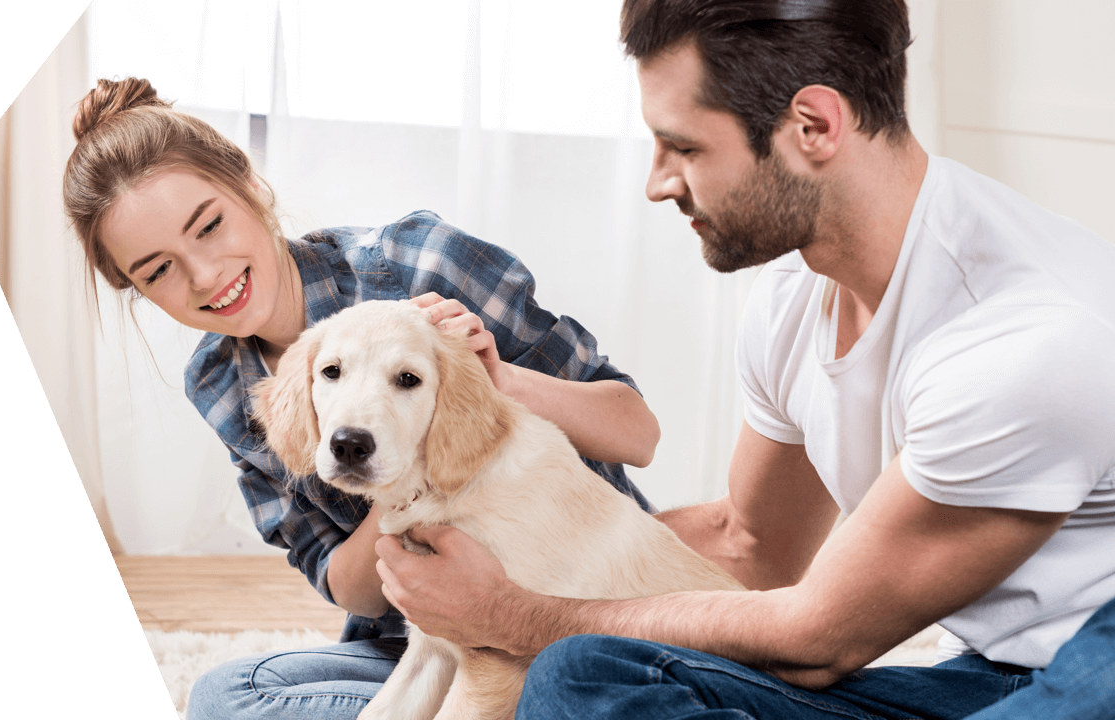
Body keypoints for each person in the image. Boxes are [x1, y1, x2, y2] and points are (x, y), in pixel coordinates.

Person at [372, 1, 1115, 718]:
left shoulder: (1025, 338)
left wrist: (511, 613)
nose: (658, 182)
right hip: (975, 679)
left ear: (813, 126)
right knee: (583, 677)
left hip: (1095, 670)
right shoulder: (794, 297)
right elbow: (751, 546)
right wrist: (506, 551)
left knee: (556, 648)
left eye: (686, 147)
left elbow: (821, 639)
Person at [62, 76, 662, 719]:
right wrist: (398, 474)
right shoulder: (221, 384)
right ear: (137, 287)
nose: (204, 275)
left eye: (208, 226)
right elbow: (354, 591)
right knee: (224, 696)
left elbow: (638, 434)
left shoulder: (420, 262)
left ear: (252, 188)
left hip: (577, 602)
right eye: (157, 270)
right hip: (419, 633)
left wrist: (491, 384)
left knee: (541, 679)